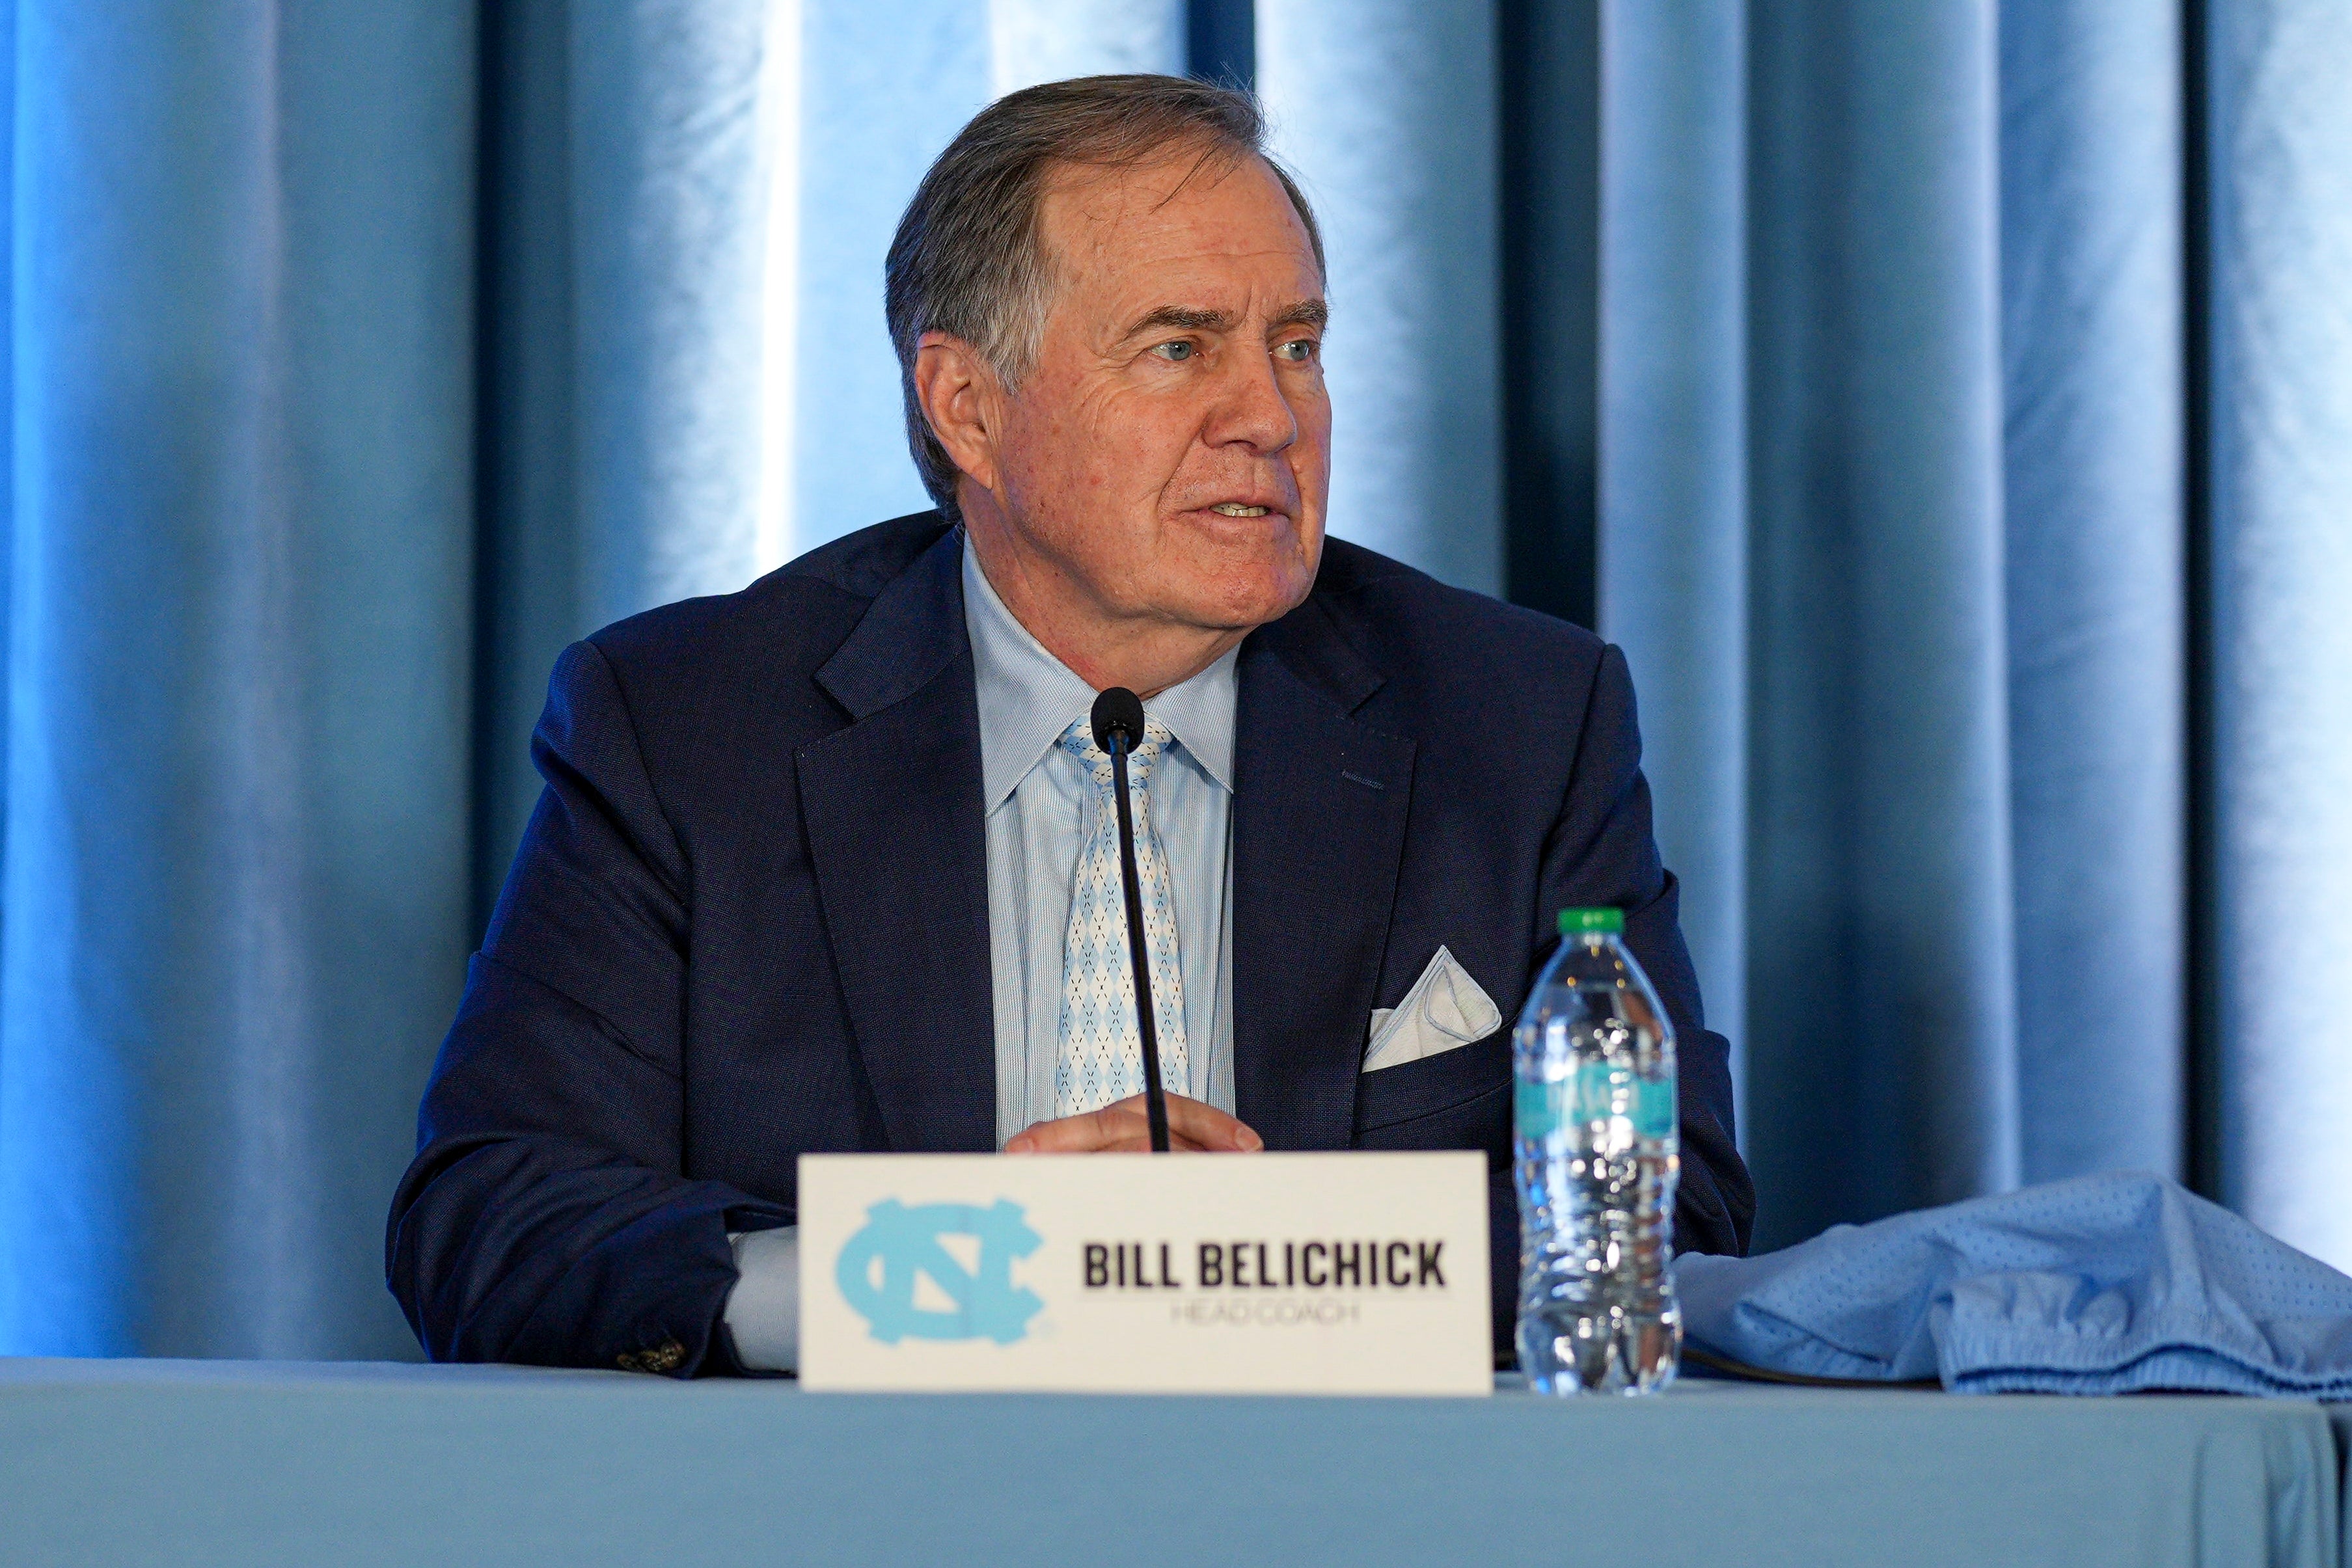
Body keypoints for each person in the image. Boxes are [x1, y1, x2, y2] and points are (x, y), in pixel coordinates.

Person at [387, 74, 1753, 1375]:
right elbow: (494, 1221)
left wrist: (1247, 1272)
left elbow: (1666, 1211)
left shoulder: (1515, 717)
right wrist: (953, 1275)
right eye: (1178, 348)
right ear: (967, 406)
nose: (1269, 418)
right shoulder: (690, 724)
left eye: (1297, 346)